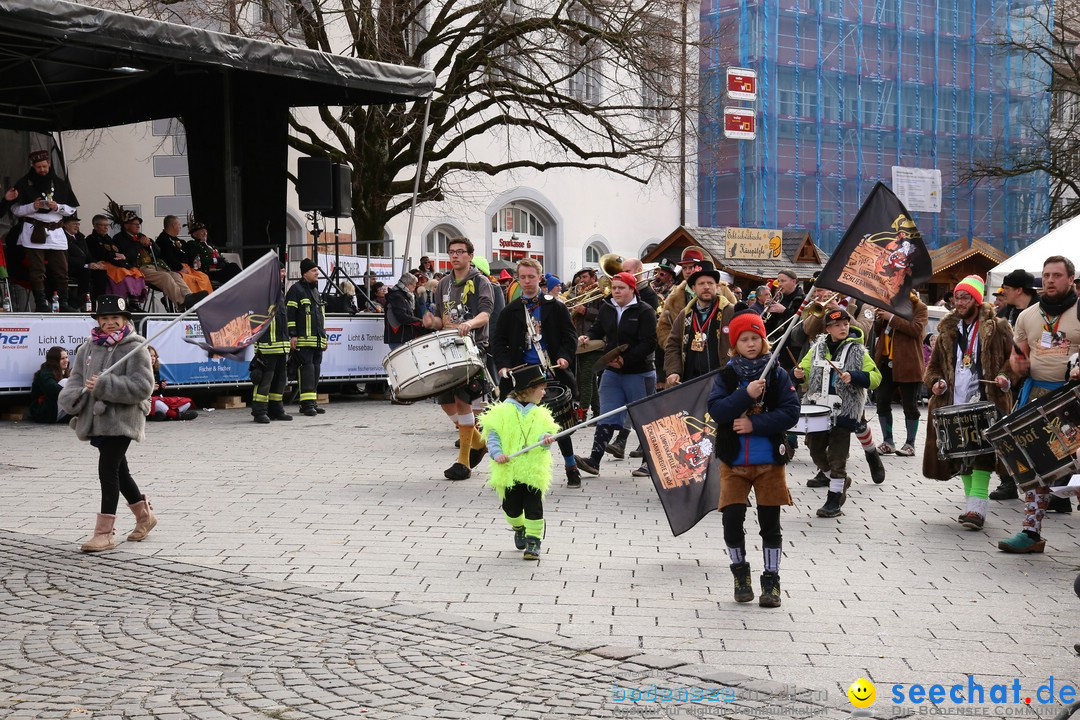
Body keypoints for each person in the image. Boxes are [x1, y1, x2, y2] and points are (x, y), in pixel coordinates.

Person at [707, 308, 800, 607]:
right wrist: (745, 394)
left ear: (764, 340)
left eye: (755, 338)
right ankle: (740, 574)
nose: (750, 343)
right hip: (734, 463)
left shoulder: (776, 373)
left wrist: (754, 423)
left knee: (769, 523)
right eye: (744, 339)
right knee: (732, 521)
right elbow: (718, 410)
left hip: (769, 462)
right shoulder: (728, 374)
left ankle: (771, 580)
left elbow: (791, 412)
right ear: (735, 345)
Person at [58, 294, 156, 553]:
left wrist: (106, 385)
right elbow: (76, 379)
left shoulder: (135, 347)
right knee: (120, 471)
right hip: (97, 419)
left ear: (125, 320)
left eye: (115, 318)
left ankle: (104, 533)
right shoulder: (87, 348)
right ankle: (145, 517)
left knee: (107, 468)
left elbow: (144, 386)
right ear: (98, 320)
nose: (110, 322)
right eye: (105, 318)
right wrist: (71, 397)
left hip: (123, 418)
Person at [999, 256, 1080, 553]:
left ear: (1071, 279)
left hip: (1073, 401)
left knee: (1078, 469)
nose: (1049, 280)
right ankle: (1031, 534)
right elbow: (1018, 355)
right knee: (1035, 467)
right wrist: (1017, 365)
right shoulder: (1028, 316)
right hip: (1036, 398)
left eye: (1057, 275)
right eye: (1046, 275)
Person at [923, 276, 1014, 530]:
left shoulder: (998, 327)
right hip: (954, 402)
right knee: (960, 455)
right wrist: (936, 382)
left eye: (965, 297)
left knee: (983, 454)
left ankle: (976, 509)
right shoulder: (946, 331)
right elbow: (932, 368)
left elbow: (1014, 361)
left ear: (976, 299)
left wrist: (1005, 376)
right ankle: (971, 505)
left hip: (987, 400)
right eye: (956, 297)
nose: (959, 302)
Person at [491, 258, 582, 488]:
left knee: (558, 422)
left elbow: (569, 336)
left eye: (532, 277)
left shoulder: (555, 305)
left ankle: (571, 467)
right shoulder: (510, 311)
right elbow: (498, 341)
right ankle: (515, 469)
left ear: (540, 278)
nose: (528, 281)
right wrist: (503, 365)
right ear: (518, 279)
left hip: (550, 372)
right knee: (517, 424)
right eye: (523, 277)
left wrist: (564, 356)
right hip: (522, 374)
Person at [795, 309, 882, 518]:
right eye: (837, 325)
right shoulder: (816, 349)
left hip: (844, 411)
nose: (842, 328)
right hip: (818, 410)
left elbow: (876, 377)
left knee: (837, 457)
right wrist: (798, 374)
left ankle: (834, 500)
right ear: (827, 329)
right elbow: (804, 371)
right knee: (814, 449)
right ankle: (839, 479)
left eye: (845, 324)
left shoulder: (858, 351)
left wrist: (854, 376)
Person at [422, 236, 495, 480]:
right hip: (446, 344)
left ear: (470, 256)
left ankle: (463, 462)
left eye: (460, 252)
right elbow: (443, 319)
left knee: (462, 399)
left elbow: (485, 315)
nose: (455, 256)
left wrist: (469, 324)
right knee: (445, 400)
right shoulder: (443, 283)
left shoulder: (481, 282)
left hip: (473, 345)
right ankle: (479, 441)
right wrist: (433, 322)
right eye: (451, 252)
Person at [574, 272, 657, 476]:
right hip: (612, 369)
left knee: (643, 419)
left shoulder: (645, 310)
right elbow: (598, 329)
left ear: (632, 289)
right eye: (615, 287)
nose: (617, 291)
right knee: (607, 414)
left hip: (639, 371)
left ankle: (650, 463)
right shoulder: (607, 307)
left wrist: (626, 360)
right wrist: (588, 337)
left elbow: (649, 343)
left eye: (621, 288)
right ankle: (594, 460)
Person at [480, 364, 559, 560]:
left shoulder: (541, 413)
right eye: (542, 388)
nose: (544, 392)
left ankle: (534, 541)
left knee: (534, 506)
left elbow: (544, 435)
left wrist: (546, 439)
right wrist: (497, 453)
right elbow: (493, 435)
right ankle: (519, 527)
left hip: (532, 469)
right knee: (512, 509)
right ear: (529, 390)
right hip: (509, 469)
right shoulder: (502, 412)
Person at [11, 150, 79, 312]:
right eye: (38, 167)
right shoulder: (24, 183)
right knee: (37, 270)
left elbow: (71, 209)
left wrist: (59, 207)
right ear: (33, 166)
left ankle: (63, 303)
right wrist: (31, 206)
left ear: (49, 164)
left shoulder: (60, 183)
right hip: (34, 231)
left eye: (44, 166)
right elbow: (14, 209)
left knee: (62, 270)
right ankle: (41, 303)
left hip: (56, 232)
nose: (42, 169)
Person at [112, 207, 204, 311]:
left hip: (154, 265)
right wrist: (139, 244)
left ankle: (189, 297)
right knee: (165, 277)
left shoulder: (140, 235)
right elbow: (128, 255)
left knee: (175, 274)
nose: (138, 226)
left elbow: (158, 252)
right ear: (126, 225)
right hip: (138, 268)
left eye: (139, 223)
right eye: (135, 223)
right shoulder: (119, 238)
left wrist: (150, 244)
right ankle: (182, 302)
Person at [873, 291, 928, 456]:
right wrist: (878, 318)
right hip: (885, 362)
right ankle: (887, 441)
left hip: (908, 363)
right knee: (881, 401)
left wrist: (891, 318)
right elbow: (878, 332)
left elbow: (916, 329)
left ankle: (910, 444)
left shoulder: (919, 307)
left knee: (909, 405)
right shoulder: (887, 303)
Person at [664, 260, 735, 386]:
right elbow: (673, 345)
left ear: (717, 287)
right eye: (701, 283)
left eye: (710, 283)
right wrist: (673, 371)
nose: (706, 287)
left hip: (723, 381)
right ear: (693, 288)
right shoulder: (684, 315)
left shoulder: (731, 312)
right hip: (691, 382)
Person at [251, 262, 292, 423]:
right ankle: (259, 411)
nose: (283, 274)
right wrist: (258, 345)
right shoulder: (261, 292)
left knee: (280, 381)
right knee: (264, 381)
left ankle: (276, 409)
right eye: (281, 271)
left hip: (281, 346)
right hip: (267, 346)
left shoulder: (279, 292)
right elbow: (255, 321)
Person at [287, 258, 328, 417]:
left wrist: (323, 337)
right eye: (313, 270)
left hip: (316, 340)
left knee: (315, 371)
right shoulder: (296, 290)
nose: (317, 272)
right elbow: (290, 314)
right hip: (303, 340)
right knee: (307, 371)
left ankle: (312, 402)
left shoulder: (315, 291)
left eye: (317, 270)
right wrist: (293, 335)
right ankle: (306, 404)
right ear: (305, 273)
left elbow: (320, 316)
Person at [85, 214, 147, 307]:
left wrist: (119, 256)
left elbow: (116, 250)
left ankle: (134, 302)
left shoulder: (108, 238)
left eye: (107, 225)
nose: (106, 227)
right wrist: (114, 255)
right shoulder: (91, 239)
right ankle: (121, 302)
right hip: (103, 263)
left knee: (136, 272)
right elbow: (99, 253)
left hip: (116, 262)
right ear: (95, 225)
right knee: (122, 273)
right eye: (103, 225)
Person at [156, 215, 213, 297]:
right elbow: (168, 258)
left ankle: (206, 301)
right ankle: (192, 303)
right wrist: (180, 267)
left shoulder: (179, 241)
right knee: (191, 279)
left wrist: (195, 262)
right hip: (175, 270)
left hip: (186, 268)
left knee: (203, 276)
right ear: (173, 225)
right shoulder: (163, 240)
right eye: (179, 224)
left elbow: (187, 255)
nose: (180, 227)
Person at [763, 269, 806, 371]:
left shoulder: (802, 299)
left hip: (791, 349)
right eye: (779, 281)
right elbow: (770, 325)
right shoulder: (780, 298)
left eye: (783, 281)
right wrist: (767, 312)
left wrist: (784, 311)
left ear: (794, 281)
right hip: (775, 348)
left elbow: (802, 323)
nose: (779, 285)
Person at [63, 215, 105, 309]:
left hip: (83, 265)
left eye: (78, 224)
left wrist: (97, 263)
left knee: (101, 272)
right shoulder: (62, 237)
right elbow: (66, 258)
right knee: (85, 272)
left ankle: (99, 302)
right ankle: (82, 300)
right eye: (74, 224)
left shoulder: (80, 237)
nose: (77, 226)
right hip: (70, 267)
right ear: (65, 225)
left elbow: (87, 255)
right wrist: (86, 265)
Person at [147, 346, 198, 421]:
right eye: (150, 356)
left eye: (154, 356)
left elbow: (158, 393)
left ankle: (165, 415)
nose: (153, 358)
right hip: (146, 401)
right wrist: (150, 388)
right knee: (157, 403)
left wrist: (161, 386)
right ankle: (176, 416)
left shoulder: (155, 370)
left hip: (156, 399)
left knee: (187, 402)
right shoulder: (140, 371)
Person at [185, 220, 241, 284]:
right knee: (233, 268)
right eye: (201, 231)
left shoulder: (211, 245)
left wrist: (223, 262)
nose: (205, 233)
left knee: (232, 267)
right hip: (207, 273)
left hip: (219, 270)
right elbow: (198, 261)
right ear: (194, 234)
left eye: (205, 231)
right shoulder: (193, 244)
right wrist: (215, 260)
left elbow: (219, 257)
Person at [29, 345, 71, 423]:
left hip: (56, 410)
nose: (66, 360)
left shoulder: (65, 372)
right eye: (62, 358)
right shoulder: (46, 373)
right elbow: (53, 389)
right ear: (54, 361)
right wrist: (74, 394)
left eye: (66, 357)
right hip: (45, 412)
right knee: (66, 382)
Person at [384, 272, 425, 349]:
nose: (414, 288)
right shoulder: (396, 296)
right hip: (399, 338)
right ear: (408, 284)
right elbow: (402, 316)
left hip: (405, 337)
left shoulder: (406, 296)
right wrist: (420, 322)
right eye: (414, 286)